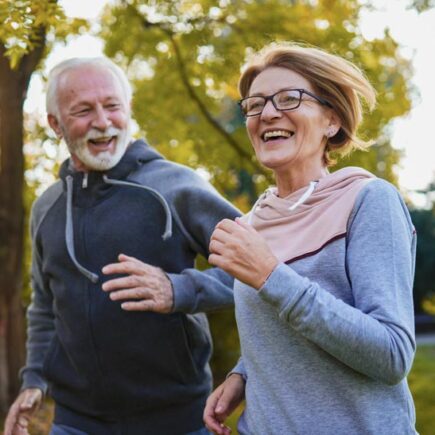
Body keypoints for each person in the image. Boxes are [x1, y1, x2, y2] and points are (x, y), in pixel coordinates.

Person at [4, 57, 240, 435]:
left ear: (127, 110)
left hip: (176, 421)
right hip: (74, 423)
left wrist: (179, 289)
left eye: (112, 106)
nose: (102, 121)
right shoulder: (47, 207)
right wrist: (34, 380)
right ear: (55, 124)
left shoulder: (175, 187)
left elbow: (260, 271)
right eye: (83, 110)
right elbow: (46, 305)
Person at [203, 42, 417, 434]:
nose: (268, 113)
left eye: (289, 98)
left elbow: (391, 354)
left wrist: (271, 275)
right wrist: (244, 374)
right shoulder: (251, 224)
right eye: (255, 104)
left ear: (331, 121)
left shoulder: (367, 201)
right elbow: (282, 330)